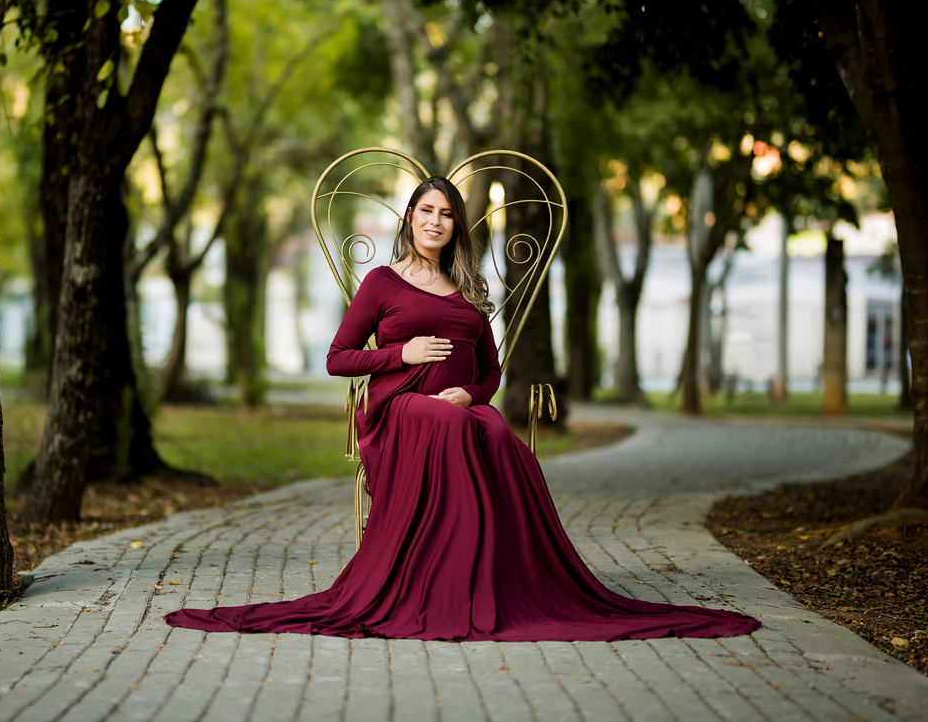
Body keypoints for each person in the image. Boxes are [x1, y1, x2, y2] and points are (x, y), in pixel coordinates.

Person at [165, 176, 760, 641]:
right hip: (398, 413)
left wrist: (470, 394)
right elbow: (337, 359)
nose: (436, 221)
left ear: (456, 226)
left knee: (495, 429)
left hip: (454, 409)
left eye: (447, 214)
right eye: (426, 210)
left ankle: (508, 581)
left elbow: (492, 372)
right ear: (410, 218)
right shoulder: (382, 283)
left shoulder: (470, 293)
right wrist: (400, 353)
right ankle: (444, 584)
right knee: (454, 422)